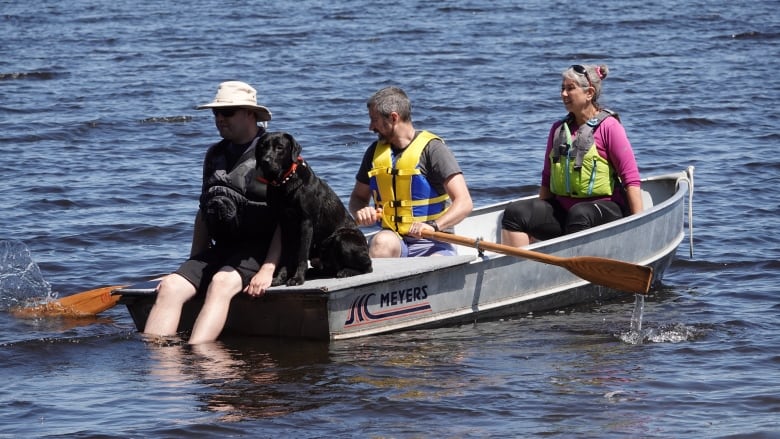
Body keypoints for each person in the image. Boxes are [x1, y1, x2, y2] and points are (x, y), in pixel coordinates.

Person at [144, 81, 281, 344]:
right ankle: (160, 371)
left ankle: (200, 358)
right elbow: (204, 212)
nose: (219, 118)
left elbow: (290, 218)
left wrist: (268, 269)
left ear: (250, 114)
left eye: (227, 112)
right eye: (216, 113)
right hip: (225, 248)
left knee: (220, 283)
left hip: (262, 250)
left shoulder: (275, 152)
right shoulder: (214, 154)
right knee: (172, 286)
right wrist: (191, 267)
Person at [501, 64, 643, 247]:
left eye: (570, 88)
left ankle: (578, 270)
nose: (563, 94)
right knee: (515, 212)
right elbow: (547, 178)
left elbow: (630, 179)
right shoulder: (558, 130)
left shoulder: (609, 127)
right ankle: (523, 269)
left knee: (580, 213)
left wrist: (639, 225)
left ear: (589, 93)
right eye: (562, 88)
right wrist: (535, 221)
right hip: (567, 213)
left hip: (605, 209)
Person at [349, 86, 473, 257]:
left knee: (433, 264)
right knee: (380, 242)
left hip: (433, 241)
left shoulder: (433, 150)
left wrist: (433, 226)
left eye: (374, 120)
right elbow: (358, 198)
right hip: (395, 240)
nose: (371, 127)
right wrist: (361, 211)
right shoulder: (374, 152)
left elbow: (464, 203)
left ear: (393, 117)